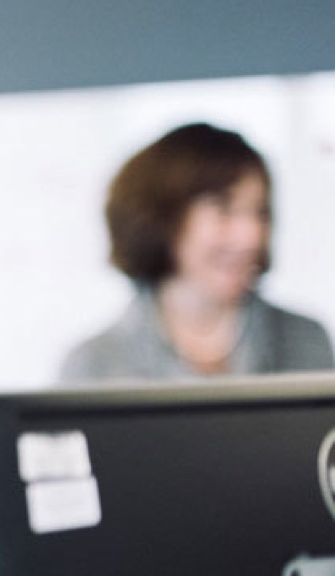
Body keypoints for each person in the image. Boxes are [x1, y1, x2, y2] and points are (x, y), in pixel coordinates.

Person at [58, 122, 334, 383]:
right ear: (162, 219)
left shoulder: (305, 343)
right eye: (224, 210)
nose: (251, 236)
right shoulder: (94, 364)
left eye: (260, 213)